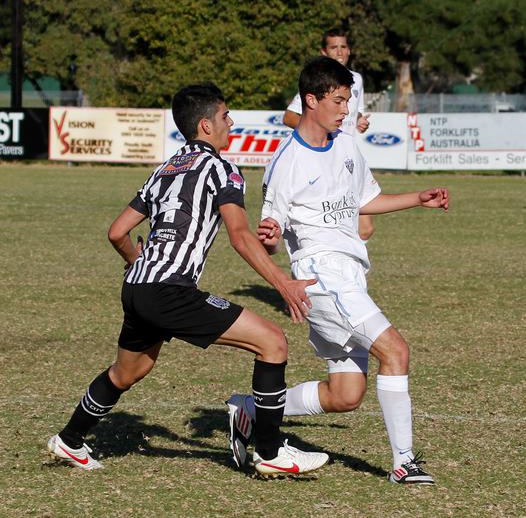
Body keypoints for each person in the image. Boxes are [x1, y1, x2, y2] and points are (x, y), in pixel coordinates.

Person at [46, 83, 329, 478]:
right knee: (273, 341)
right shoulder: (222, 169)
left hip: (137, 288)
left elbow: (117, 232)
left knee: (127, 372)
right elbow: (240, 237)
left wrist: (136, 260)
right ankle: (269, 452)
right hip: (171, 291)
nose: (231, 122)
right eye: (225, 115)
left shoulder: (165, 169)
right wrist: (284, 283)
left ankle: (70, 439)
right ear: (206, 125)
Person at [227, 56, 449, 485]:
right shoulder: (286, 161)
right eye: (337, 101)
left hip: (350, 274)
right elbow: (270, 235)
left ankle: (250, 409)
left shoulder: (345, 144)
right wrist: (271, 235)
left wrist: (417, 199)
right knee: (396, 352)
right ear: (311, 100)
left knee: (347, 395)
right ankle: (405, 462)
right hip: (322, 277)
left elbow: (364, 202)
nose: (345, 109)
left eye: (347, 100)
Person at [283, 28, 375, 242]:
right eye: (334, 47)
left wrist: (359, 120)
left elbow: (354, 111)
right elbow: (289, 117)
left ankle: (350, 267)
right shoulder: (321, 83)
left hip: (350, 155)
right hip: (327, 157)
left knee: (366, 228)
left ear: (349, 50)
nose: (340, 52)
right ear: (324, 52)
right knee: (342, 224)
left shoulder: (357, 79)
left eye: (343, 47)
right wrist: (321, 130)